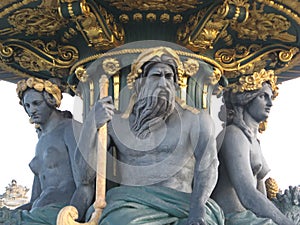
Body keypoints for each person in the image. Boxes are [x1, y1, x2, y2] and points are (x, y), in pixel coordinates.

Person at [79, 47, 224, 225]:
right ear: (139, 83)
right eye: (156, 76)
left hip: (184, 205)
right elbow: (84, 176)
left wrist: (198, 208)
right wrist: (92, 123)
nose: (163, 83)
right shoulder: (116, 125)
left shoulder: (196, 120)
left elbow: (208, 165)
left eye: (169, 77)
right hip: (130, 207)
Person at [211, 69, 295, 225]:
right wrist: (284, 222)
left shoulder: (255, 141)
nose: (270, 103)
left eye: (270, 98)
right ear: (246, 99)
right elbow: (247, 192)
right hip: (232, 216)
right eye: (263, 97)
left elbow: (259, 192)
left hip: (250, 217)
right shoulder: (233, 135)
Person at [12, 77, 95, 223]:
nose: (32, 110)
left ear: (50, 101)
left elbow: (85, 183)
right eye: (27, 105)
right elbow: (35, 199)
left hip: (60, 213)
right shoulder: (41, 142)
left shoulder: (70, 128)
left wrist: (72, 216)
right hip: (38, 213)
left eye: (37, 103)